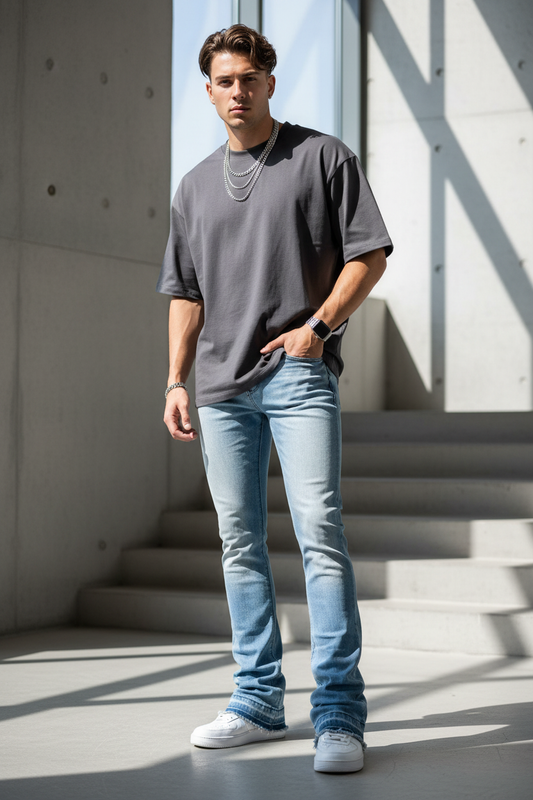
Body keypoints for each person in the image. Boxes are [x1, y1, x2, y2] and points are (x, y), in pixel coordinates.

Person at [157, 24, 393, 774]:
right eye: (223, 82)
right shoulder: (193, 185)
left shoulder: (322, 155)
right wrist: (174, 377)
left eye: (248, 79)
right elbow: (184, 292)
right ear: (208, 90)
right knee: (238, 543)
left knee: (319, 535)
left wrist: (316, 328)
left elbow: (369, 254)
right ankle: (257, 701)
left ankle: (338, 717)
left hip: (296, 375)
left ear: (269, 80)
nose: (237, 92)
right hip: (220, 388)